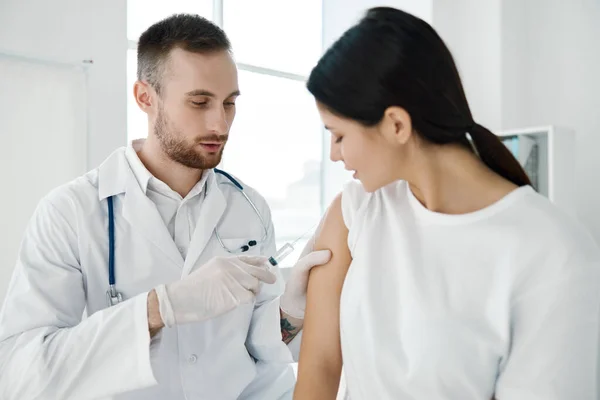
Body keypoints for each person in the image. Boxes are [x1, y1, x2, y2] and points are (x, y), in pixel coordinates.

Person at [0, 14, 329, 400]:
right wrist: (159, 308)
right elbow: (20, 372)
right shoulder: (69, 212)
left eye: (229, 103)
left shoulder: (250, 207)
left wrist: (291, 311)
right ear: (145, 97)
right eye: (200, 102)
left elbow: (258, 353)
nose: (220, 124)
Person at [294, 7, 600, 400]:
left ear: (396, 125)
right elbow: (319, 366)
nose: (335, 155)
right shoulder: (356, 211)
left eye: (338, 136)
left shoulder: (553, 253)